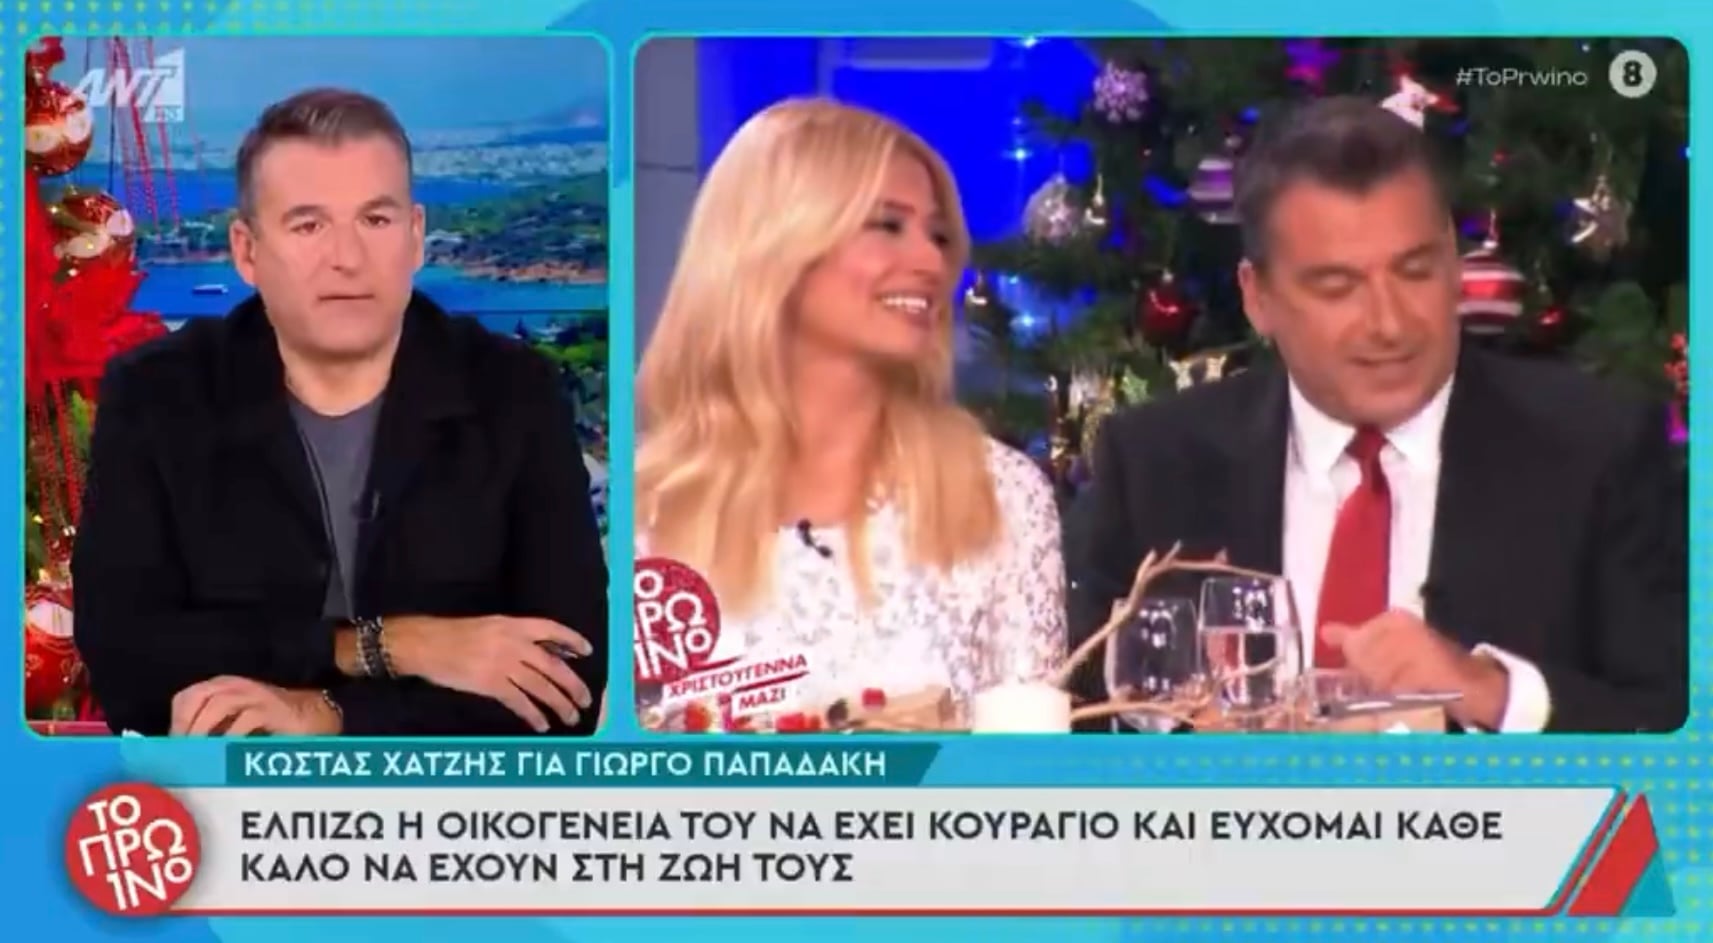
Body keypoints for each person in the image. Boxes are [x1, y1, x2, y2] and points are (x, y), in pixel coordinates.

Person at [1068, 96, 1685, 734]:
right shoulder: (1154, 462)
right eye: (1338, 287)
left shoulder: (1598, 448)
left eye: (1415, 273)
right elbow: (1080, 720)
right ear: (1258, 298)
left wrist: (1495, 694)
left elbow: (1674, 725)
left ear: (1453, 264)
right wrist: (1190, 750)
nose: (1389, 324)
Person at [71, 88, 609, 737]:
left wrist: (327, 715)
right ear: (246, 251)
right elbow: (126, 662)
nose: (347, 258)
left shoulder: (514, 391)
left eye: (375, 220)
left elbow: (566, 686)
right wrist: (388, 644)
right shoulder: (157, 395)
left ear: (415, 237)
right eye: (308, 225)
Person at [634, 98, 1065, 722]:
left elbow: (1029, 768)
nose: (931, 262)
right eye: (887, 225)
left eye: (939, 236)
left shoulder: (997, 497)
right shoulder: (647, 511)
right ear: (773, 243)